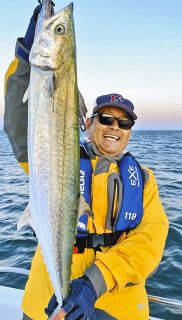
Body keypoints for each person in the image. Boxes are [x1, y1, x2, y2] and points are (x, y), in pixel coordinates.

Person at [4, 5, 169, 320]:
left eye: (123, 123)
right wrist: (26, 54)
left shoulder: (144, 180)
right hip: (46, 303)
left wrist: (95, 283)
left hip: (117, 307)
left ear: (130, 132)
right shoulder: (54, 153)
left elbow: (149, 243)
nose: (113, 128)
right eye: (106, 118)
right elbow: (17, 122)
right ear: (89, 122)